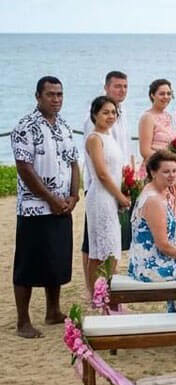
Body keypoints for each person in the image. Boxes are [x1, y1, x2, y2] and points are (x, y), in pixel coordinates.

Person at [10, 77, 81, 338]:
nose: (56, 99)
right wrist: (50, 199)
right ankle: (22, 321)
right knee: (28, 264)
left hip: (62, 206)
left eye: (60, 94)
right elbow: (24, 167)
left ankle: (53, 311)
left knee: (56, 259)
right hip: (34, 208)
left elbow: (73, 162)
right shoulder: (25, 127)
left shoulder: (64, 126)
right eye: (50, 94)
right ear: (38, 96)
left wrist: (74, 196)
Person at [82, 70, 134, 274]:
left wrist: (127, 186)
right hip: (102, 194)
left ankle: (107, 296)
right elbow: (101, 173)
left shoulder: (110, 133)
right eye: (105, 112)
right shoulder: (95, 136)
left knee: (111, 247)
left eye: (113, 113)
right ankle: (98, 296)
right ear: (95, 114)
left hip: (113, 193)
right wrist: (120, 196)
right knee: (99, 248)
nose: (111, 116)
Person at [128, 150, 176, 284]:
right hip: (153, 266)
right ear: (153, 172)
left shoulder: (159, 191)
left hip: (156, 259)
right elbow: (163, 246)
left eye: (174, 171)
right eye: (166, 172)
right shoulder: (154, 200)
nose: (172, 176)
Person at [138, 78, 176, 230]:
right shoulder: (147, 118)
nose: (166, 97)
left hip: (172, 171)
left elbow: (173, 145)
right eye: (161, 94)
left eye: (169, 94)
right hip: (156, 169)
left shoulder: (169, 117)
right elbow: (145, 151)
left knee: (172, 209)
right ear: (152, 95)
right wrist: (166, 162)